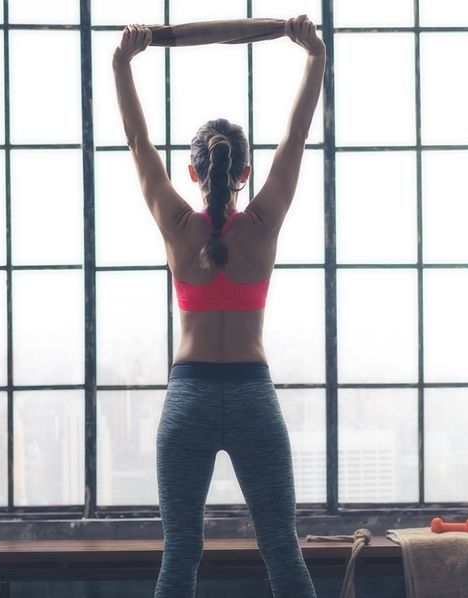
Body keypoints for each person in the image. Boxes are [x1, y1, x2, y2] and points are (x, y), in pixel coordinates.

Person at [112, 14, 326, 598]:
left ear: (192, 171)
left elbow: (137, 142)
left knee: (180, 556)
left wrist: (122, 64)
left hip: (189, 400)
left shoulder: (178, 226)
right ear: (244, 172)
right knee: (282, 550)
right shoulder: (262, 223)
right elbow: (297, 137)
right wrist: (315, 57)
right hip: (254, 396)